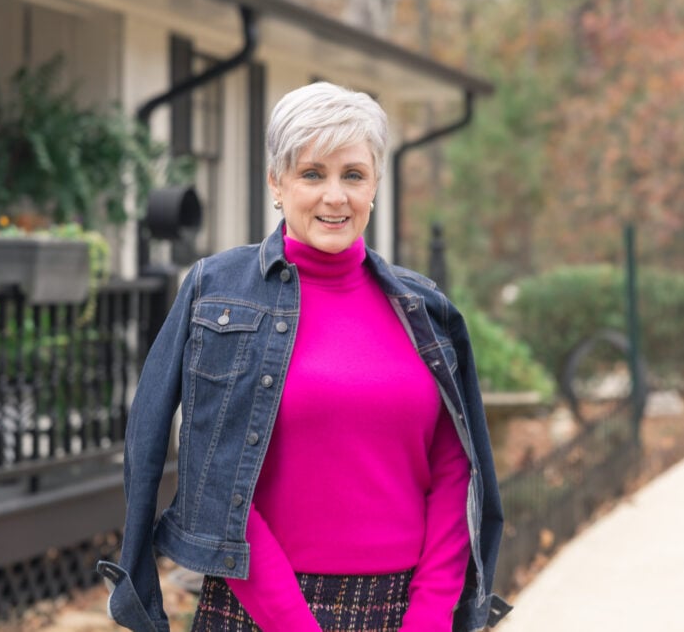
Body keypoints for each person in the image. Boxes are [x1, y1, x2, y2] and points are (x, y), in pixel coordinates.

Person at [97, 81, 510, 632]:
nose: (334, 197)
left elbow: (456, 466)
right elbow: (207, 471)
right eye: (312, 174)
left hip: (403, 609)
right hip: (258, 609)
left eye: (353, 175)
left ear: (375, 185)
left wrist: (429, 619)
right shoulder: (217, 291)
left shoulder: (425, 308)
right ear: (277, 182)